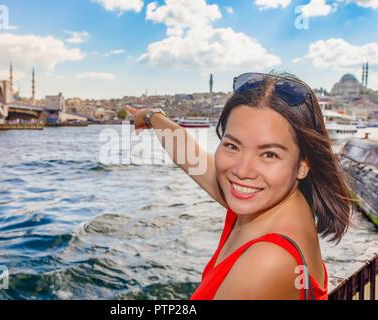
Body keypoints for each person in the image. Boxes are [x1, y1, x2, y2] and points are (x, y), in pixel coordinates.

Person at [125, 72, 352, 300]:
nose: (242, 171)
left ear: (303, 164)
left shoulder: (266, 261)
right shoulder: (266, 204)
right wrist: (151, 116)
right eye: (232, 146)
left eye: (269, 153)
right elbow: (188, 153)